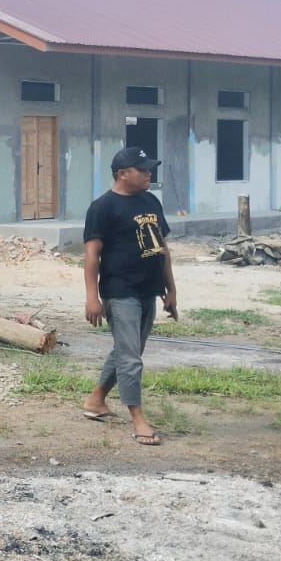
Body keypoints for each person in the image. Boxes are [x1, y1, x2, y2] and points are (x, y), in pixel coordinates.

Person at [82, 147, 177, 447]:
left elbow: (162, 248)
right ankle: (138, 420)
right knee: (130, 358)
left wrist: (170, 289)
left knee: (128, 350)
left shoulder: (151, 201)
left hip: (148, 289)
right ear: (123, 173)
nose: (149, 173)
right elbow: (91, 255)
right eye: (143, 169)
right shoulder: (103, 208)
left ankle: (96, 400)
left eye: (149, 168)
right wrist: (92, 297)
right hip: (119, 290)